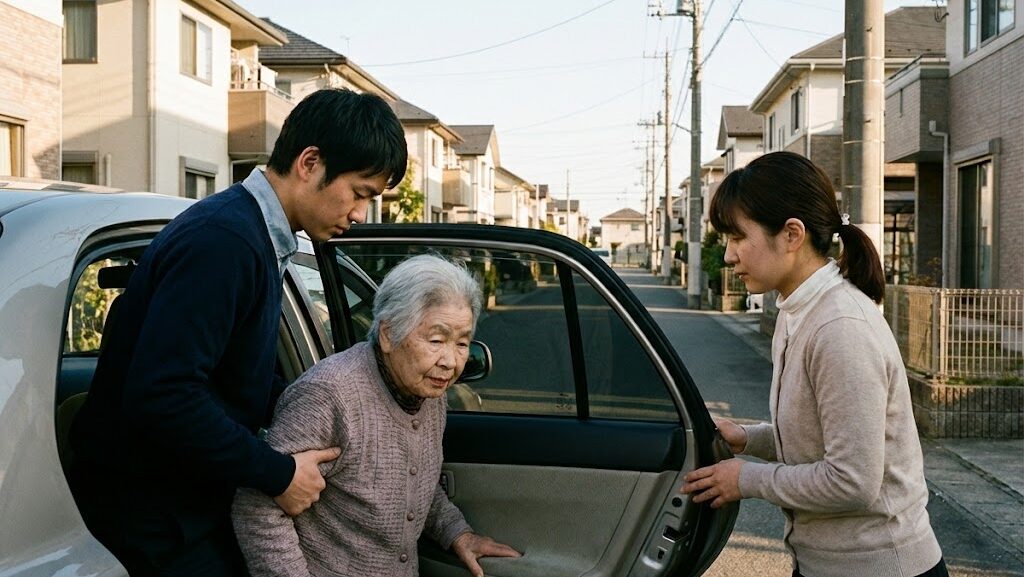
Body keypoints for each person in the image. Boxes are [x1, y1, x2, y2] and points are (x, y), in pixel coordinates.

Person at [68, 88, 408, 576]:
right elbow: (163, 393)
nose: (359, 215)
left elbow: (237, 374)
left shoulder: (256, 234)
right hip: (156, 517)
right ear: (310, 162)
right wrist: (277, 474)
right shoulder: (226, 242)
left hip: (182, 501)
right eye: (359, 193)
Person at [681, 152, 946, 577]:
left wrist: (746, 479)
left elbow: (852, 481)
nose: (729, 256)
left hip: (881, 567)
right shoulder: (798, 310)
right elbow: (820, 436)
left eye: (737, 237)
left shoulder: (840, 327)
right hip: (829, 564)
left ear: (791, 234)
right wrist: (747, 438)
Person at [231, 254, 520, 577]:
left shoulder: (426, 390)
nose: (450, 362)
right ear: (387, 334)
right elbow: (256, 508)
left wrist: (458, 534)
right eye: (437, 340)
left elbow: (415, 480)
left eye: (463, 343)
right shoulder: (330, 394)